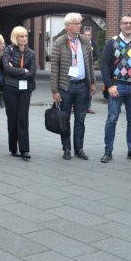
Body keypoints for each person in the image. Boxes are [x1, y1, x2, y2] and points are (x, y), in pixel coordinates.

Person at [100, 14, 131, 163]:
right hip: (117, 86)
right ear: (120, 25)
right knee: (112, 119)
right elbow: (104, 65)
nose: (128, 25)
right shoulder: (112, 42)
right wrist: (109, 86)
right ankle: (108, 151)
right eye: (125, 23)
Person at [50, 13, 96, 160]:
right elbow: (54, 68)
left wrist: (92, 82)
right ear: (68, 26)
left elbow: (90, 63)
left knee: (80, 119)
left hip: (82, 86)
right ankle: (66, 149)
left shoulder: (85, 41)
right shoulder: (59, 42)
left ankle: (79, 149)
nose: (79, 25)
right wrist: (55, 90)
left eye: (79, 23)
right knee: (64, 119)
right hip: (66, 87)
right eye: (76, 23)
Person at [2, 26, 37, 159]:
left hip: (25, 89)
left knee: (23, 118)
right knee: (12, 119)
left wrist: (15, 71)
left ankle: (24, 149)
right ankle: (13, 148)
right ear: (15, 38)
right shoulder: (8, 50)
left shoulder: (31, 53)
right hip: (10, 88)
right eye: (21, 36)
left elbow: (32, 73)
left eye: (25, 36)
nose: (24, 38)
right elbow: (7, 69)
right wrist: (23, 71)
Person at [84, 28, 97, 114]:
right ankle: (75, 106)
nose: (87, 36)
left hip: (90, 69)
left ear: (91, 36)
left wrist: (91, 60)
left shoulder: (94, 44)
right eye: (86, 35)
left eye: (88, 35)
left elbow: (97, 55)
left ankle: (88, 107)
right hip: (81, 69)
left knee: (90, 88)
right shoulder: (79, 43)